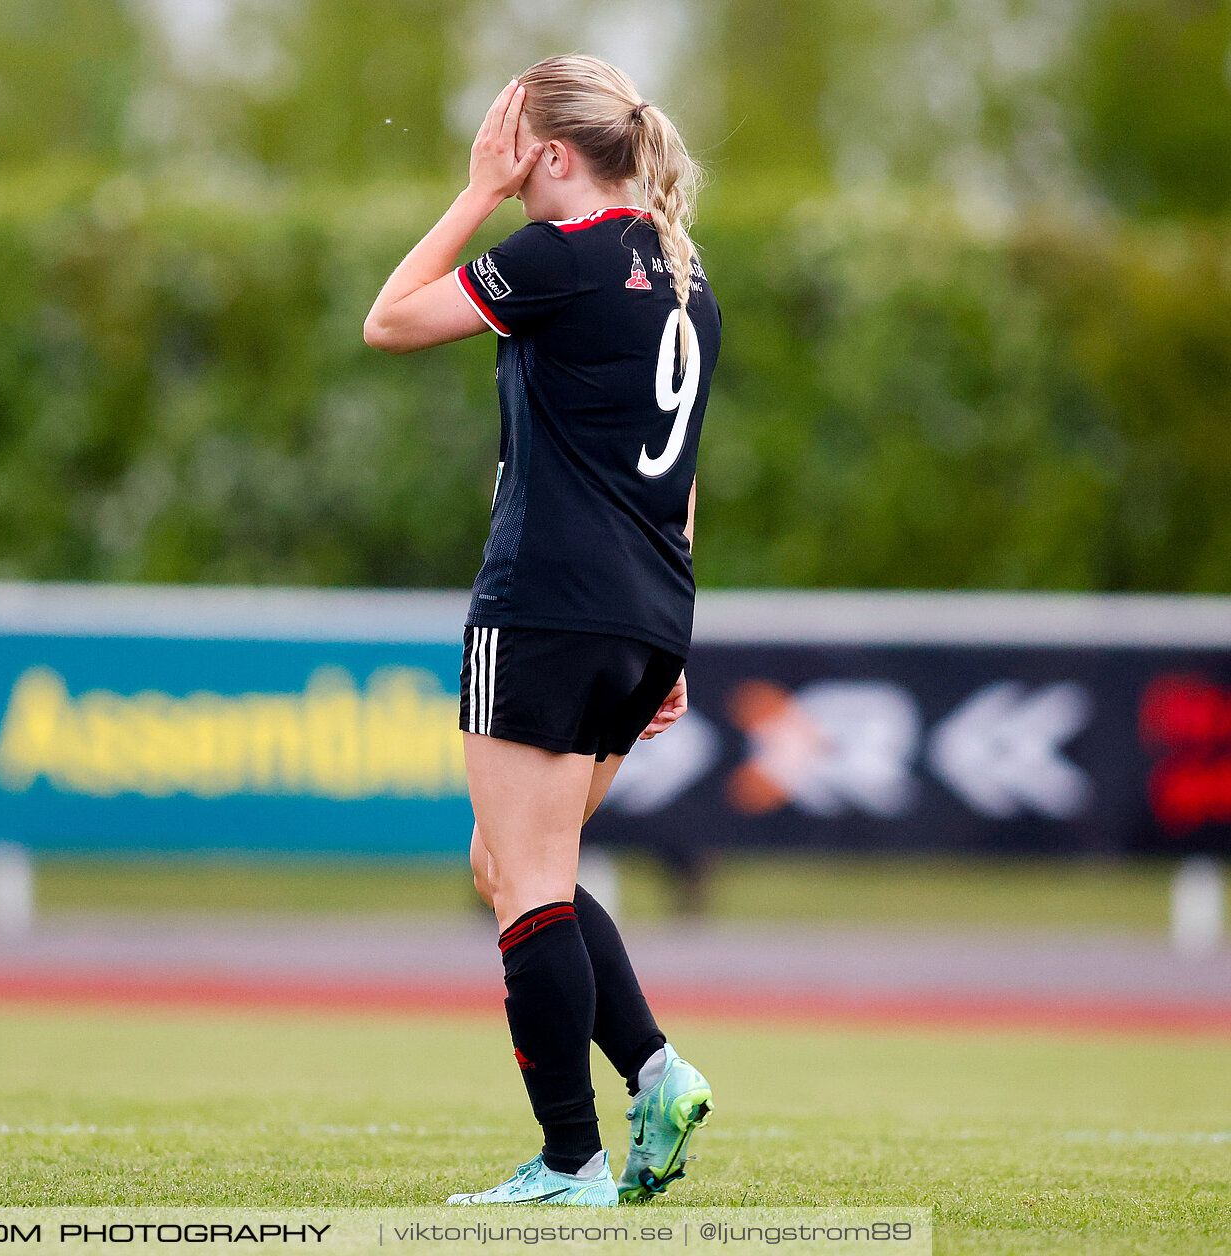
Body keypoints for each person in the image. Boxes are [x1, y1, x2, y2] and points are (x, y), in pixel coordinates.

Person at [363, 54, 721, 1206]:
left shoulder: (558, 257)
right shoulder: (681, 273)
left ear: (552, 153)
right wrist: (670, 635)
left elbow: (389, 320)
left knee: (524, 878)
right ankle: (656, 1070)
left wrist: (470, 195)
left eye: (513, 154)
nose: (507, 176)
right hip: (645, 609)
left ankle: (572, 1158)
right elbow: (685, 478)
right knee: (517, 866)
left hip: (547, 602)